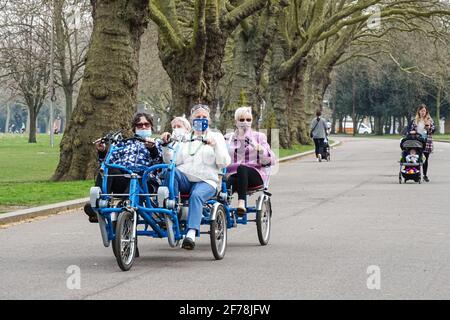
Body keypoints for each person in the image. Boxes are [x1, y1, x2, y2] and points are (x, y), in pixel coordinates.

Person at [160, 104, 231, 250]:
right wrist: (166, 146)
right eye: (198, 117)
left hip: (206, 180)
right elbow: (171, 161)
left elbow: (224, 162)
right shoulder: (184, 137)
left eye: (204, 117)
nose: (201, 119)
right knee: (170, 172)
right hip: (185, 177)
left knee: (196, 196)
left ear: (209, 120)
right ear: (192, 120)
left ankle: (191, 233)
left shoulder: (216, 136)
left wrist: (215, 146)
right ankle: (170, 210)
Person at [84, 112, 163, 222]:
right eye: (139, 125)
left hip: (145, 180)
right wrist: (102, 151)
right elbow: (106, 162)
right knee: (107, 169)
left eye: (146, 124)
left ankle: (124, 209)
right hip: (123, 177)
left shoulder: (157, 143)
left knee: (136, 182)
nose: (143, 127)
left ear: (151, 126)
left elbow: (159, 163)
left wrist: (152, 149)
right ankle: (97, 204)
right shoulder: (124, 143)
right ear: (134, 128)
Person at [224, 106, 276, 215]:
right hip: (234, 175)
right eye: (241, 120)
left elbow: (271, 160)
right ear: (236, 121)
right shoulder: (228, 138)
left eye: (248, 120)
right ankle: (222, 208)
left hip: (255, 174)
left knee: (242, 168)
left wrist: (261, 151)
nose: (245, 122)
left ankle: (241, 203)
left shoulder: (259, 136)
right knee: (228, 181)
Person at [408, 104, 435, 182]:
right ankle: (417, 174)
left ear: (426, 111)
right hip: (417, 141)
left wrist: (429, 128)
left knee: (425, 159)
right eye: (421, 110)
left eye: (424, 111)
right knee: (417, 157)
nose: (423, 112)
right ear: (419, 111)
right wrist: (412, 132)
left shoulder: (429, 119)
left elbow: (433, 130)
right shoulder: (415, 120)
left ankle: (425, 175)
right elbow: (411, 129)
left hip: (427, 141)